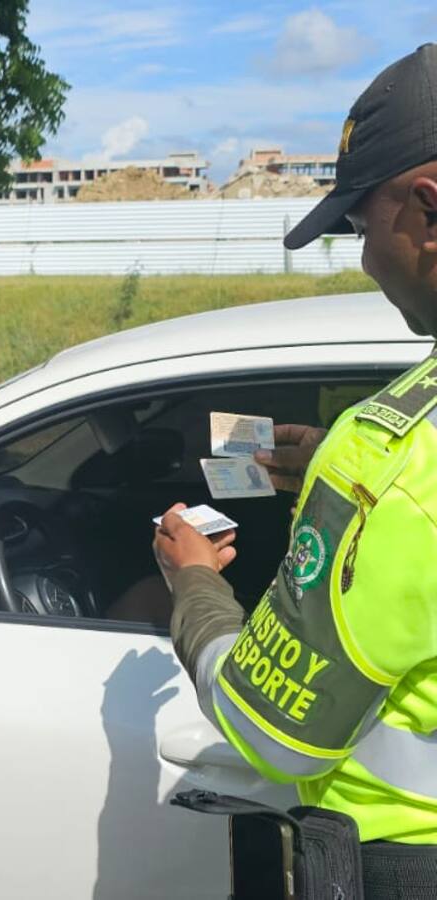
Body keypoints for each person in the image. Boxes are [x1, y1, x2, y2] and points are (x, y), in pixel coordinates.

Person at [154, 44, 437, 897]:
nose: (363, 260)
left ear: (427, 207)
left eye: (361, 225)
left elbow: (268, 731)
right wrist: (329, 468)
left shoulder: (388, 459)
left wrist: (195, 588)